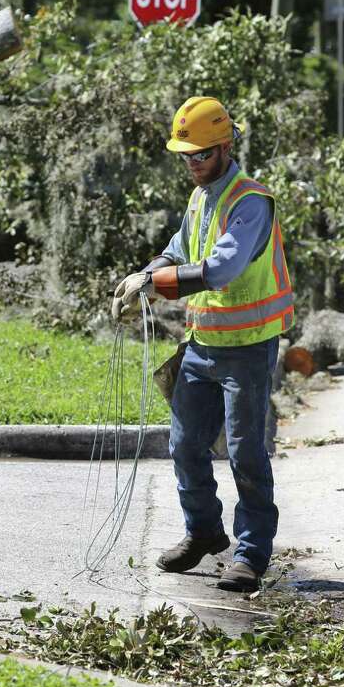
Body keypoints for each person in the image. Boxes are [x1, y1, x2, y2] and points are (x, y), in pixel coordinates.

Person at [111, 96, 294, 593]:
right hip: (201, 344)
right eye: (186, 156)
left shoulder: (250, 202)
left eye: (202, 155)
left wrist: (156, 285)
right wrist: (142, 275)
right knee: (184, 444)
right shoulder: (200, 197)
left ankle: (251, 555)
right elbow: (177, 250)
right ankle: (204, 533)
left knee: (245, 453)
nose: (193, 164)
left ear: (225, 146)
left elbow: (221, 269)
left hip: (248, 348)